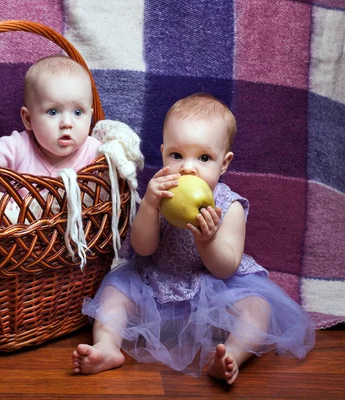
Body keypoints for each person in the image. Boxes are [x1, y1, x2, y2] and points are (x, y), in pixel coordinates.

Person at [72, 92, 315, 384]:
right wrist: (149, 205)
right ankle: (107, 347)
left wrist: (207, 240)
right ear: (162, 153)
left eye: (204, 157)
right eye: (176, 155)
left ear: (223, 164)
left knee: (257, 309)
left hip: (211, 289)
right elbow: (143, 248)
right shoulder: (159, 195)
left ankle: (230, 356)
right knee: (114, 292)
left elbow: (225, 268)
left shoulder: (230, 205)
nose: (188, 167)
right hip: (155, 282)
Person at [0, 54, 101, 177]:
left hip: (80, 214)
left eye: (78, 112)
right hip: (18, 213)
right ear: (28, 119)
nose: (67, 123)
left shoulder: (96, 152)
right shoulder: (19, 147)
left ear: (90, 117)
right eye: (53, 112)